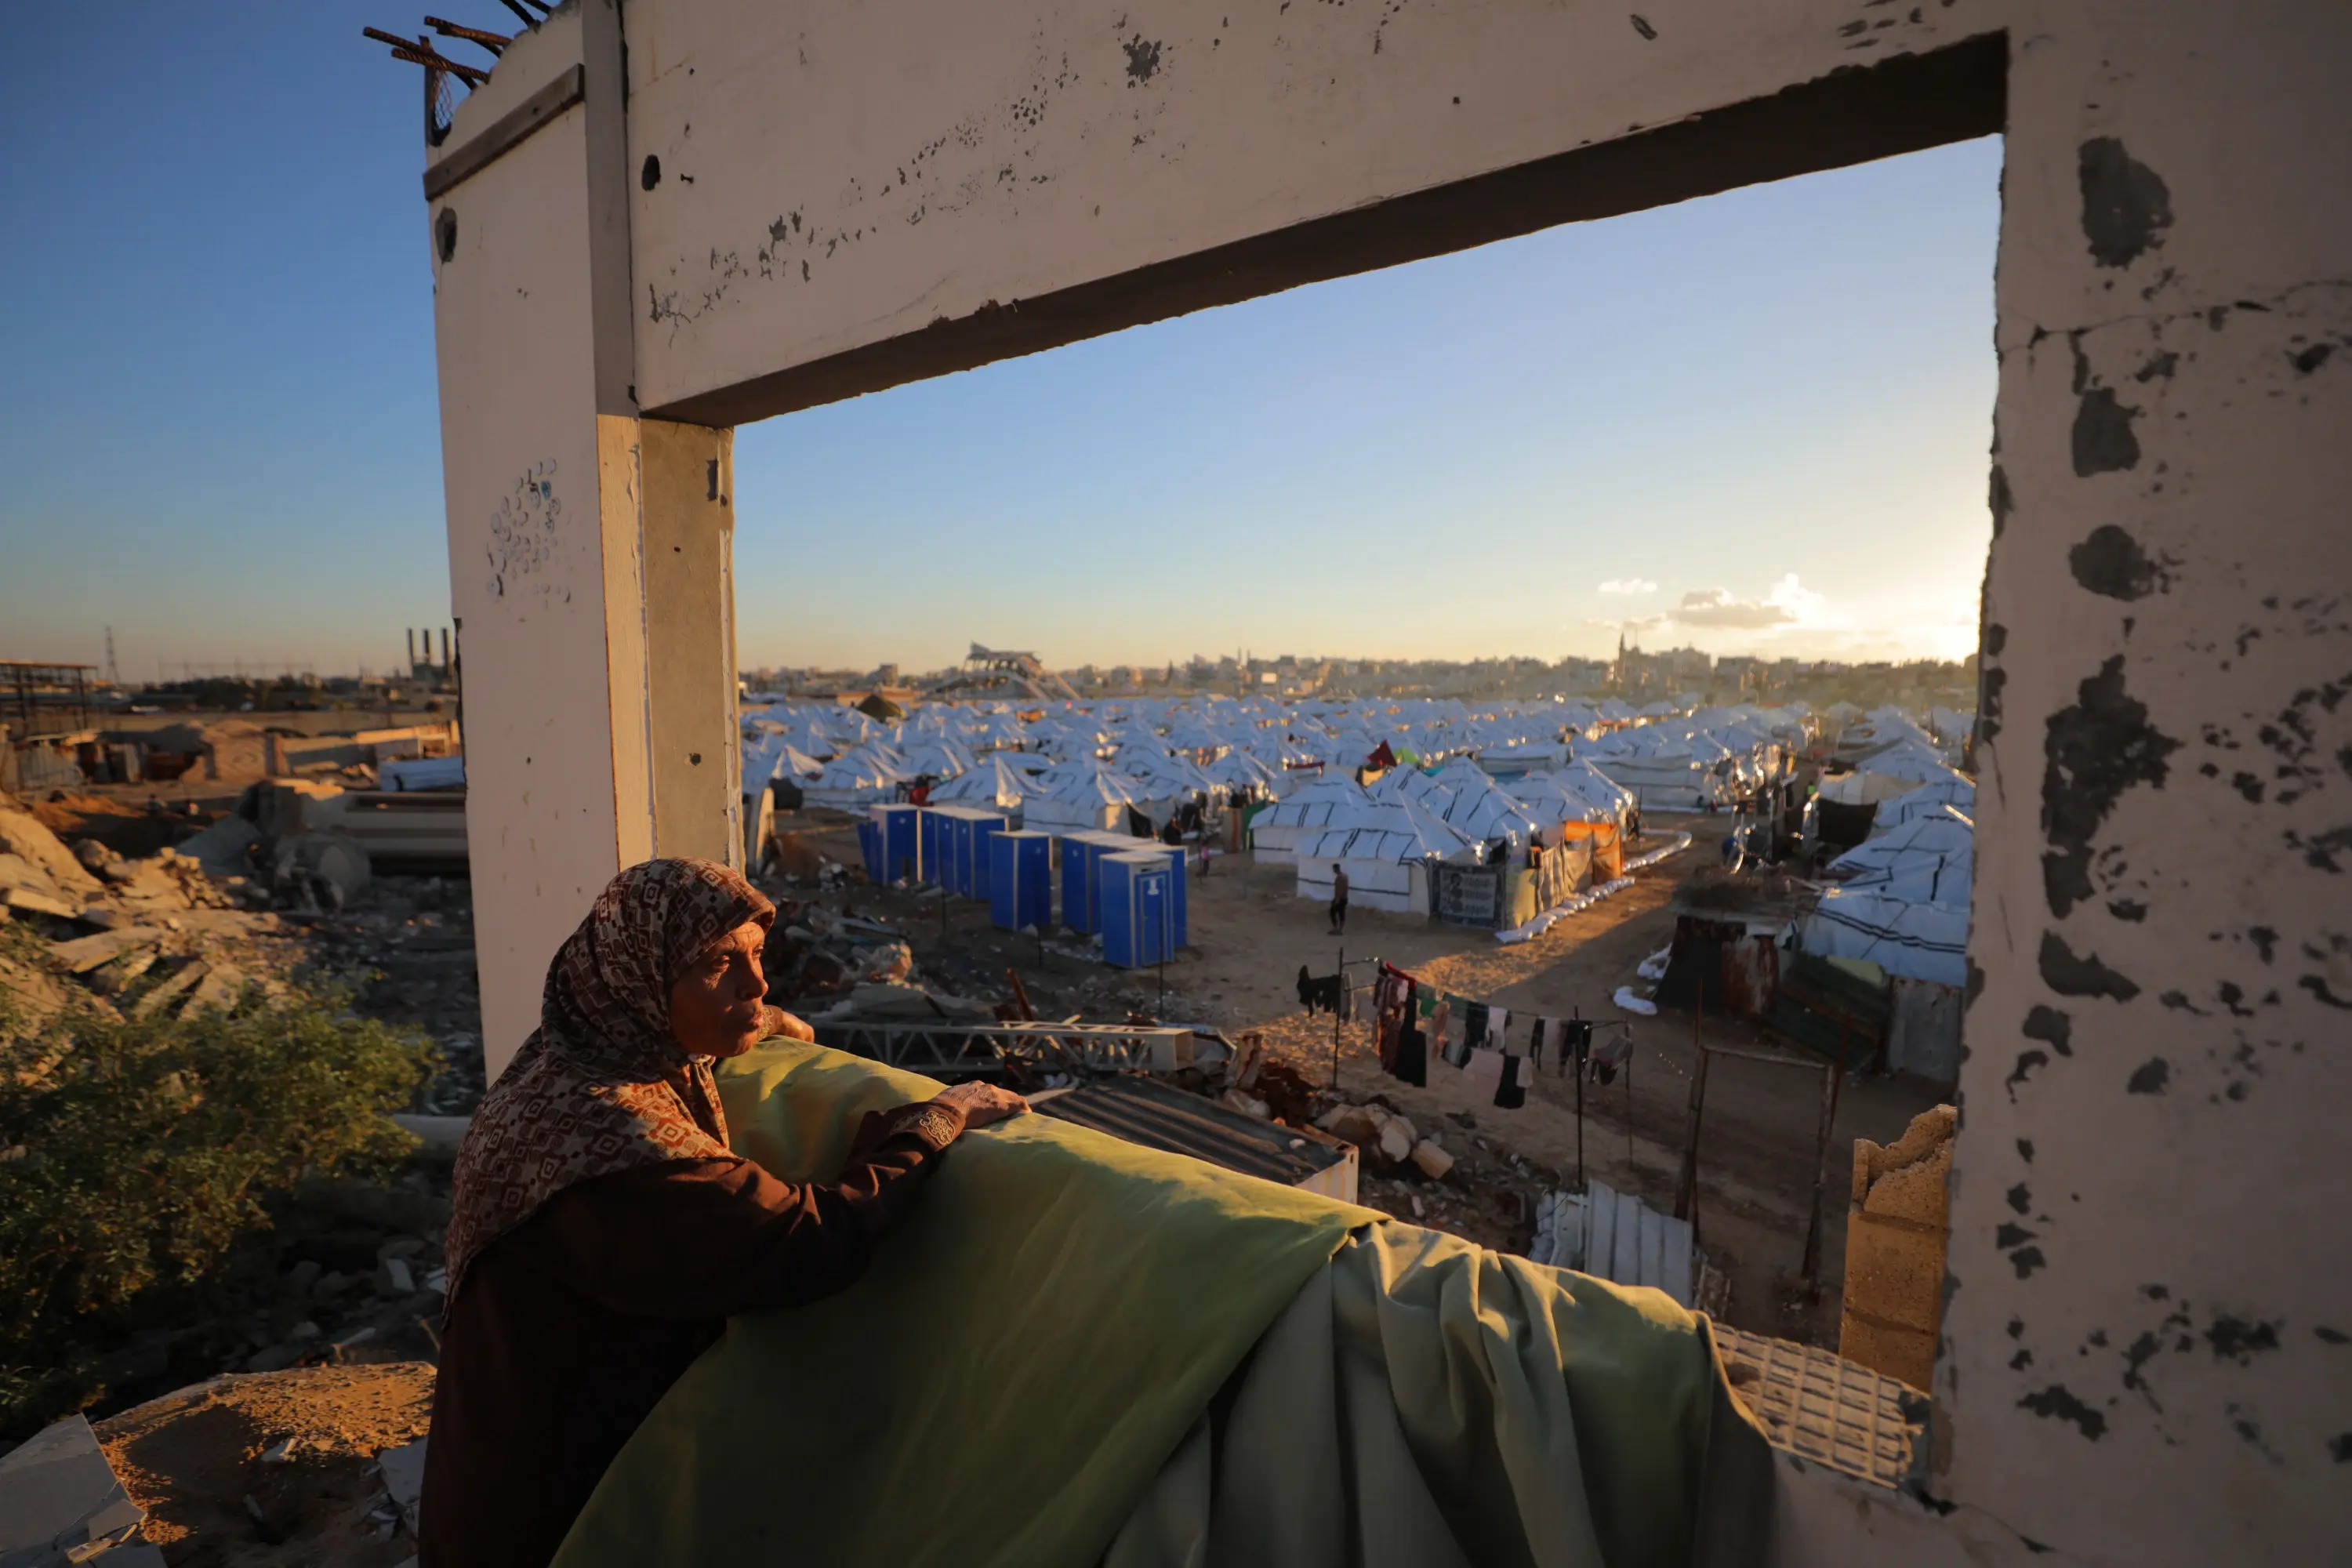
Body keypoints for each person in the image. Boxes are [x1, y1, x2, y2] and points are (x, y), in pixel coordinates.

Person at [418, 858, 1026, 1568]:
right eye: (718, 963)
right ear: (639, 981)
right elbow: (808, 1240)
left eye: (757, 955)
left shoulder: (567, 1059)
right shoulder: (624, 1148)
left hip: (502, 1473)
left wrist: (755, 1025)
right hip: (556, 1519)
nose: (757, 984)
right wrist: (933, 1123)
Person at [1328, 862, 1349, 935]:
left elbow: (1338, 890)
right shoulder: (1345, 877)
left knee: (1333, 913)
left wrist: (1337, 900)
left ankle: (1337, 929)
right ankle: (1339, 929)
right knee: (1341, 913)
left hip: (1340, 898)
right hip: (1344, 898)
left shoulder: (1339, 878)